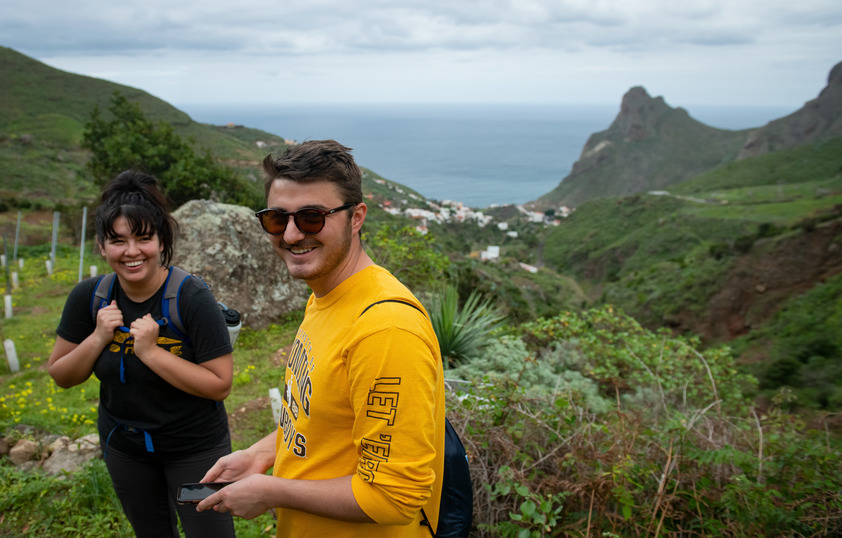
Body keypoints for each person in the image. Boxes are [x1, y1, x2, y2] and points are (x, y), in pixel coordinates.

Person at [196, 139, 446, 537]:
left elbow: (394, 496)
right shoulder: (327, 295)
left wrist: (272, 491)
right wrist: (261, 454)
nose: (292, 235)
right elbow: (316, 421)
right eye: (277, 219)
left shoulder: (386, 330)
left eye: (312, 217)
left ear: (357, 217)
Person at [47, 170, 236, 538]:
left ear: (161, 241)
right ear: (102, 247)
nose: (131, 252)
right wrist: (98, 336)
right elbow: (61, 375)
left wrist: (150, 352)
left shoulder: (192, 298)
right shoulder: (90, 297)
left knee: (210, 533)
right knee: (151, 533)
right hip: (126, 450)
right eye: (117, 241)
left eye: (143, 238)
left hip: (196, 453)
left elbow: (220, 385)